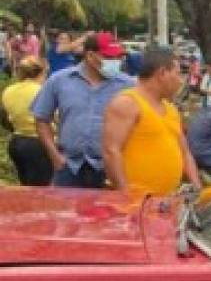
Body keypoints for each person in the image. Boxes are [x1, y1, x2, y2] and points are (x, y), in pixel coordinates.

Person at [31, 31, 133, 188]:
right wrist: (54, 156)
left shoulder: (127, 85)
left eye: (118, 57)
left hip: (109, 169)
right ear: (90, 56)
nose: (115, 62)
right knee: (64, 211)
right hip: (70, 167)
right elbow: (41, 118)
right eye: (109, 57)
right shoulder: (59, 80)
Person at [102, 46, 201, 197]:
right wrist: (126, 196)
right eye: (178, 73)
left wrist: (197, 188)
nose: (180, 81)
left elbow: (185, 152)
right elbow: (111, 151)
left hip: (165, 202)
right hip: (137, 205)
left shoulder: (171, 109)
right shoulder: (127, 103)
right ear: (162, 73)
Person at [2, 57, 54, 185]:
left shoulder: (9, 90)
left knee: (25, 185)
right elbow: (55, 118)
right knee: (41, 188)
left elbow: (4, 116)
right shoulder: (42, 91)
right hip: (39, 144)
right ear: (41, 72)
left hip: (17, 142)